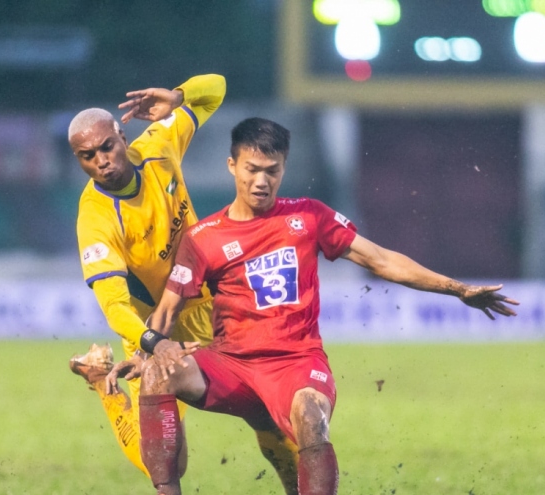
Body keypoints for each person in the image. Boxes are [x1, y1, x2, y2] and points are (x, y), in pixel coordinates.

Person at [108, 117, 519, 495]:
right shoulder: (204, 237)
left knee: (309, 416)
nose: (261, 181)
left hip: (295, 364)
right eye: (252, 169)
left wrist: (457, 289)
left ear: (283, 169)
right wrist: (149, 350)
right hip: (232, 366)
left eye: (273, 171)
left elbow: (382, 259)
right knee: (159, 377)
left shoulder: (308, 217)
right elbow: (166, 313)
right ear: (232, 165)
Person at [67, 76, 300, 492]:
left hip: (216, 305)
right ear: (79, 161)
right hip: (155, 327)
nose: (101, 160)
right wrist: (156, 342)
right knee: (168, 461)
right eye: (88, 156)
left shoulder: (158, 146)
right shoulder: (95, 219)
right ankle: (102, 384)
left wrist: (180, 96)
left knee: (271, 411)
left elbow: (218, 88)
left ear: (123, 136)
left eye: (107, 146)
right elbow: (115, 304)